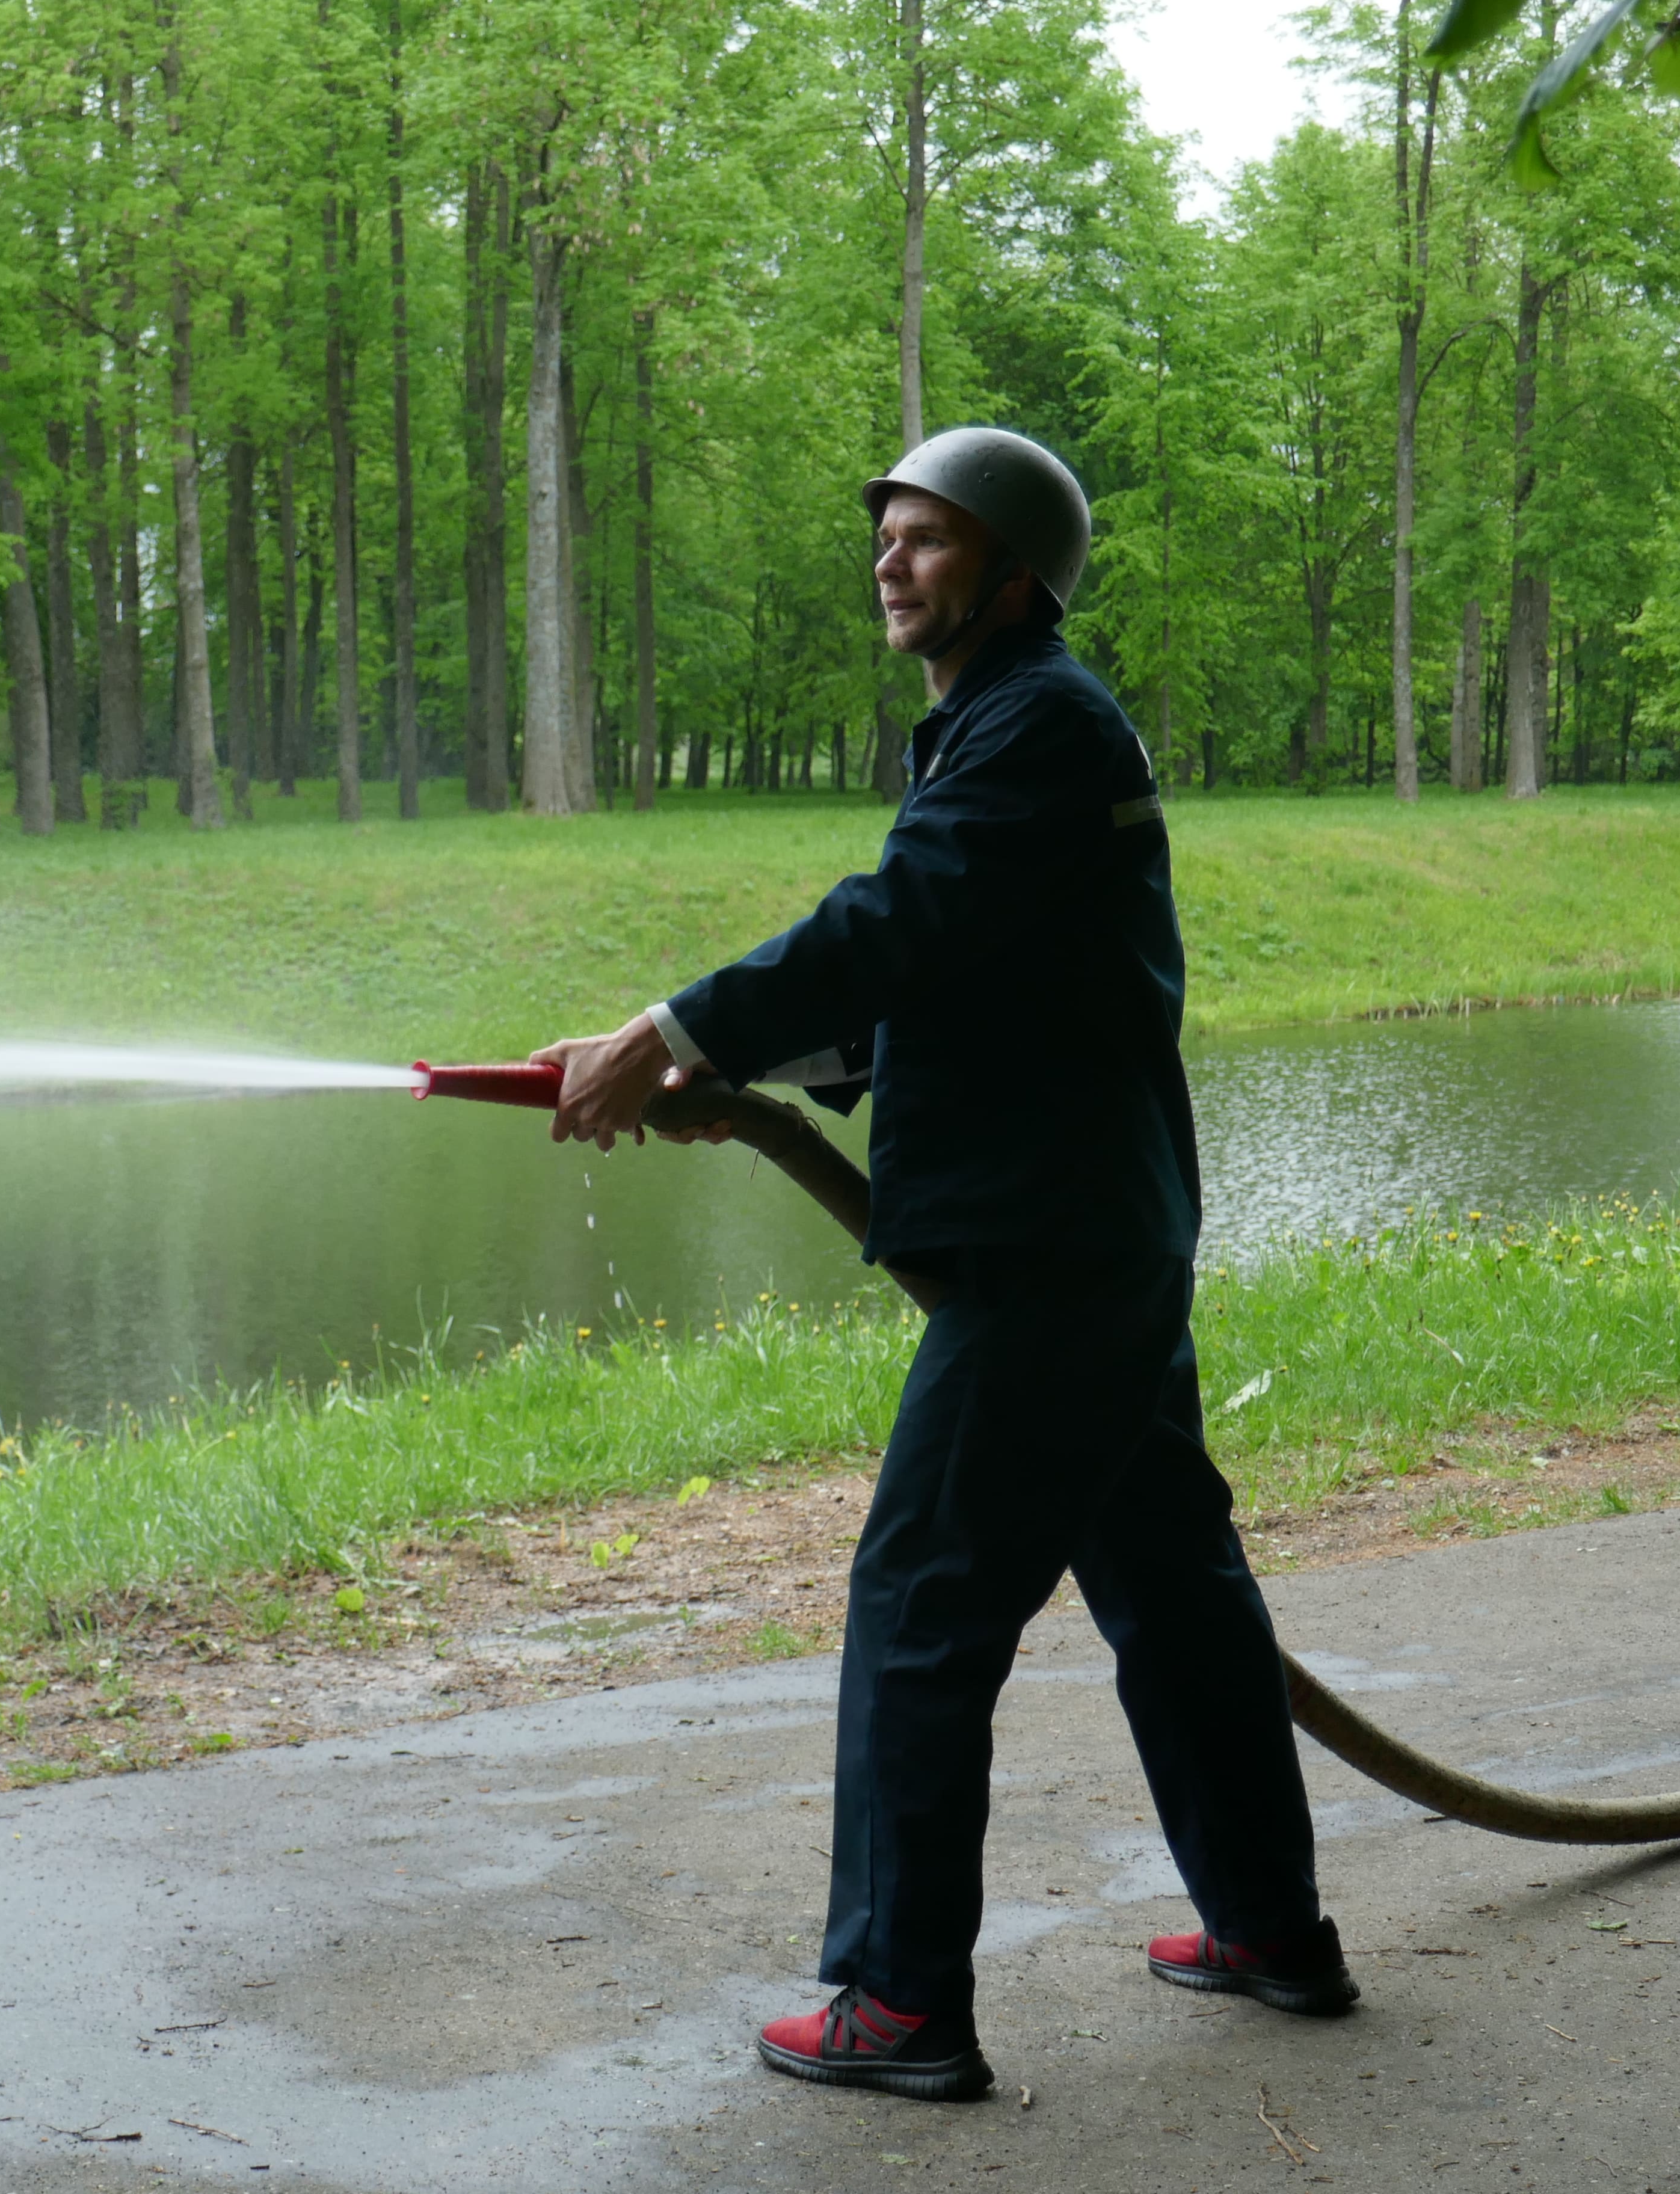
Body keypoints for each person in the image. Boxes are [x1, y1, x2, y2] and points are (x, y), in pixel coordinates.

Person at [529, 427, 1355, 2105]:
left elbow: (892, 923)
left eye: (927, 539)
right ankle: (1271, 1930)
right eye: (889, 537)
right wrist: (741, 1082)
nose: (891, 564)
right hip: (1091, 1236)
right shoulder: (1003, 725)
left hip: (1047, 1255)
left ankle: (898, 2006)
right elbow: (963, 971)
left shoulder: (1040, 719)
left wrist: (673, 1028)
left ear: (1017, 570)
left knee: (920, 1608)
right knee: (1176, 1598)